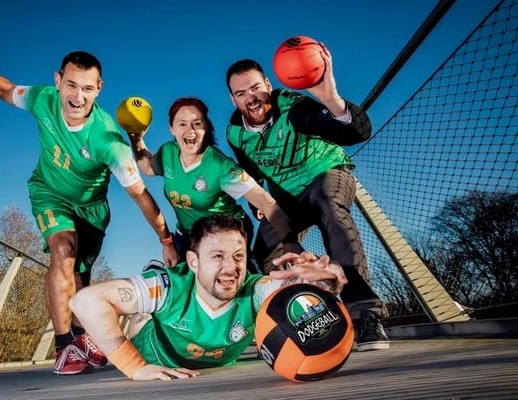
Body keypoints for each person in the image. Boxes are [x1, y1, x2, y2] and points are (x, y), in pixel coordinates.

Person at [0, 51, 179, 375]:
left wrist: (165, 237)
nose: (78, 97)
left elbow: (141, 196)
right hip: (49, 193)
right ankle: (65, 345)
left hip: (92, 209)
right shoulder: (42, 99)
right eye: (71, 85)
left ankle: (83, 338)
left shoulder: (110, 142)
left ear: (99, 89)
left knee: (81, 276)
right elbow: (5, 89)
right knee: (63, 250)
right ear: (57, 81)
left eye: (88, 89)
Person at [224, 47, 389, 351]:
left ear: (268, 87)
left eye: (257, 87)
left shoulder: (293, 107)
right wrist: (256, 204)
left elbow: (355, 132)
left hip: (324, 174)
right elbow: (251, 173)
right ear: (233, 99)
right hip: (286, 198)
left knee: (329, 205)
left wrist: (332, 100)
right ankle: (303, 316)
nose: (252, 97)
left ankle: (365, 312)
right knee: (266, 250)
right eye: (242, 92)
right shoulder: (235, 133)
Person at [70, 214, 347, 381]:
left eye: (238, 256)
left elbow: (292, 293)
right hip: (155, 351)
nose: (231, 267)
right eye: (217, 256)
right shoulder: (171, 286)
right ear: (193, 261)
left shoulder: (254, 289)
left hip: (208, 361)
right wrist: (135, 368)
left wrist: (325, 278)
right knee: (142, 316)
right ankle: (144, 300)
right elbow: (84, 302)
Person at [126, 97, 303, 273]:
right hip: (189, 233)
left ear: (206, 128)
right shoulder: (168, 152)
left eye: (197, 123)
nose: (191, 131)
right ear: (172, 128)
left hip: (227, 232)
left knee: (236, 282)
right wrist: (136, 138)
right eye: (182, 124)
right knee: (182, 282)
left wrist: (290, 242)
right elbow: (148, 167)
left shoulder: (221, 167)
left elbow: (266, 202)